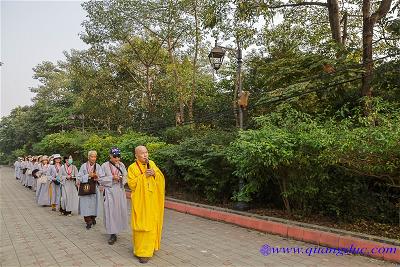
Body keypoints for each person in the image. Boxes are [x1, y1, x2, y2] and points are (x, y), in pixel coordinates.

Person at [127, 145, 165, 264]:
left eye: (146, 152)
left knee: (153, 223)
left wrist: (154, 174)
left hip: (153, 201)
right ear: (136, 156)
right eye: (142, 153)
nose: (145, 155)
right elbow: (131, 184)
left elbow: (161, 179)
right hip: (141, 203)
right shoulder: (132, 168)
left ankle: (151, 247)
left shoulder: (152, 163)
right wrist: (144, 176)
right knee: (142, 225)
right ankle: (142, 252)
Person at [100, 147, 128, 245]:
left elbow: (126, 176)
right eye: (115, 156)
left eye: (118, 156)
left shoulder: (121, 165)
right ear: (110, 156)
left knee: (119, 211)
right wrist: (112, 177)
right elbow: (101, 178)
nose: (117, 159)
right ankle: (112, 233)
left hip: (120, 191)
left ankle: (118, 228)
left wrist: (121, 178)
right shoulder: (104, 165)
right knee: (110, 211)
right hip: (110, 191)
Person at [77, 150, 104, 229]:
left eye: (95, 157)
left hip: (94, 187)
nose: (93, 158)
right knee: (85, 204)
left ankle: (93, 218)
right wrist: (88, 175)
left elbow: (102, 177)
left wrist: (97, 177)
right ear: (88, 157)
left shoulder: (98, 166)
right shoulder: (83, 166)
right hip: (85, 188)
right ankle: (88, 221)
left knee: (94, 204)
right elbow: (79, 178)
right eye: (92, 156)